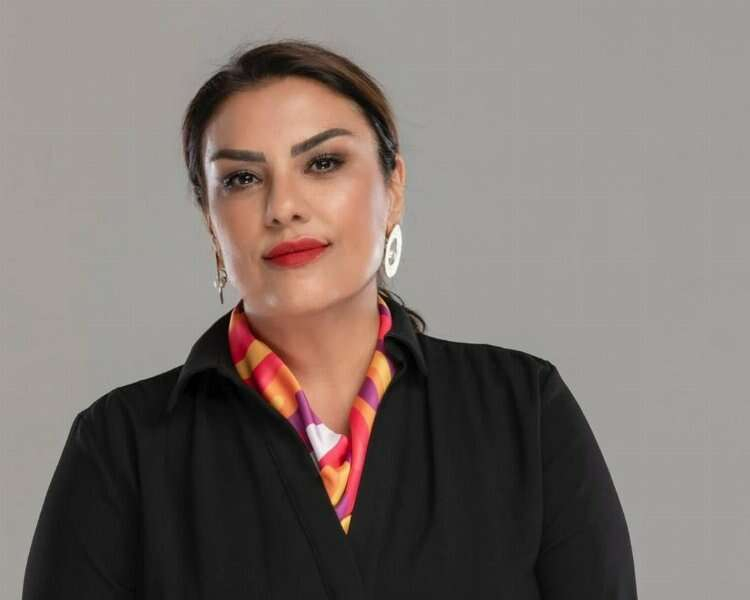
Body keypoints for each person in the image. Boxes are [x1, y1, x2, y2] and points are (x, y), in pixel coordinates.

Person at [22, 39, 638, 599]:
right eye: (242, 178)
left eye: (322, 163)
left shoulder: (522, 410)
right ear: (211, 221)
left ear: (393, 188)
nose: (283, 207)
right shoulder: (121, 446)